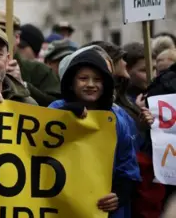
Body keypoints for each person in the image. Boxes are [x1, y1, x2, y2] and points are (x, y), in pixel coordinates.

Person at [48, 48, 142, 218]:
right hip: (61, 205)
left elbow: (128, 165)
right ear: (71, 83)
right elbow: (40, 146)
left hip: (104, 209)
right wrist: (64, 116)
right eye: (83, 78)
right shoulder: (55, 109)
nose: (91, 84)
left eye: (97, 80)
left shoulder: (115, 120)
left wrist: (119, 195)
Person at [0, 10, 60, 106]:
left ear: (17, 38)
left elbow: (57, 110)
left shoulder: (40, 71)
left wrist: (23, 85)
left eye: (3, 33)